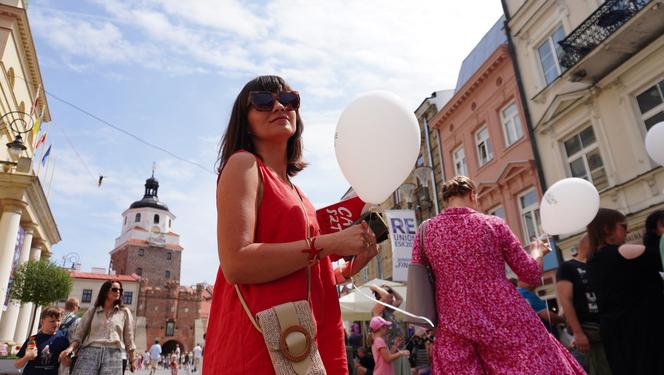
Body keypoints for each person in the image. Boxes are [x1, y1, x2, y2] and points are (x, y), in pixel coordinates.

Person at [203, 75, 380, 374]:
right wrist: (331, 243)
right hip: (262, 343)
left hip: (305, 336)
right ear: (244, 121)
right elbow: (236, 263)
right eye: (262, 101)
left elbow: (304, 272)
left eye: (288, 100)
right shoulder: (244, 164)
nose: (278, 106)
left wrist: (349, 268)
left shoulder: (298, 192)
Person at [411, 176, 584, 374]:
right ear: (473, 196)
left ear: (445, 200)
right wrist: (537, 252)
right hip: (503, 316)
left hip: (453, 320)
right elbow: (530, 275)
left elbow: (418, 278)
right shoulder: (494, 224)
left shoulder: (425, 231)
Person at [586, 208, 664, 374]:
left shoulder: (591, 262)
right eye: (623, 226)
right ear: (607, 229)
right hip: (644, 326)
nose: (627, 230)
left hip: (614, 331)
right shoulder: (623, 251)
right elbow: (659, 258)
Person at [556, 234, 611, 375]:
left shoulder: (598, 266)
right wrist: (578, 333)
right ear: (592, 246)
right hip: (589, 332)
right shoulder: (568, 267)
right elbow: (565, 301)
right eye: (602, 245)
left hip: (608, 329)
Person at [59, 280, 136, 375]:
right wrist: (70, 349)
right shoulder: (92, 311)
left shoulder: (124, 312)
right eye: (115, 289)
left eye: (120, 290)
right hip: (90, 352)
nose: (118, 292)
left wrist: (132, 359)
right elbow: (79, 334)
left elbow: (129, 337)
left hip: (113, 355)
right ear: (105, 291)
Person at [15, 306, 69, 375]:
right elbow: (17, 365)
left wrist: (64, 358)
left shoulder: (62, 340)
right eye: (52, 321)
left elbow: (68, 363)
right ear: (42, 322)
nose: (56, 323)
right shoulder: (32, 339)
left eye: (58, 320)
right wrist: (26, 357)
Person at [57, 298, 80, 375]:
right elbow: (79, 338)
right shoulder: (78, 320)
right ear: (75, 307)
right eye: (78, 307)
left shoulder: (58, 318)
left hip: (54, 351)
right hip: (67, 355)